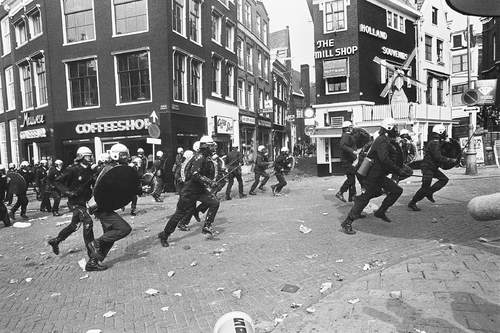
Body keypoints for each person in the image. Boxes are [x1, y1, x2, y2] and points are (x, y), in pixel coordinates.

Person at [340, 118, 412, 235]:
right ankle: (347, 222)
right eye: (394, 127)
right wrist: (398, 170)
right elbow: (384, 159)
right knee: (365, 199)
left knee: (396, 190)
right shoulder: (382, 140)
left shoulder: (386, 140)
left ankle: (380, 211)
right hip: (372, 177)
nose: (396, 130)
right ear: (389, 128)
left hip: (379, 176)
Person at [85, 143, 141, 271]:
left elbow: (121, 189)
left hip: (105, 206)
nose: (126, 157)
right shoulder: (110, 168)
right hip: (102, 207)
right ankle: (95, 243)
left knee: (109, 237)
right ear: (116, 155)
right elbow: (104, 189)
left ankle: (92, 262)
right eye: (123, 155)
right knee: (124, 229)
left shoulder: (116, 167)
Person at [158, 135, 220, 247]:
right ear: (205, 146)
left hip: (199, 190)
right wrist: (209, 182)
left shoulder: (206, 158)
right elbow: (195, 174)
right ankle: (165, 234)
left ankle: (207, 227)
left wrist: (210, 182)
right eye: (211, 146)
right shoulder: (199, 157)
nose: (213, 148)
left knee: (214, 202)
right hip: (189, 191)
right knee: (179, 214)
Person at [47, 147, 101, 270]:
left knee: (74, 226)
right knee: (88, 223)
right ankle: (92, 259)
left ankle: (56, 241)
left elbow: (94, 184)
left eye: (91, 156)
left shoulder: (90, 170)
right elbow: (57, 182)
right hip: (75, 203)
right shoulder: (72, 169)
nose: (91, 158)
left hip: (85, 202)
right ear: (81, 156)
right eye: (88, 156)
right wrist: (68, 192)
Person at [408, 124, 458, 212]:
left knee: (443, 179)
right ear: (441, 132)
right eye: (444, 132)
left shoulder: (436, 142)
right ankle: (412, 203)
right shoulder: (435, 143)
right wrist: (450, 160)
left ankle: (429, 192)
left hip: (432, 167)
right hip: (428, 168)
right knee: (425, 187)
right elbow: (438, 157)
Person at [336, 121, 358, 202]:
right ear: (347, 128)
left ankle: (352, 196)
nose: (352, 128)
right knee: (351, 179)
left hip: (348, 161)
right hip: (347, 161)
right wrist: (353, 151)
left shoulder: (348, 135)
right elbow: (342, 145)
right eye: (350, 127)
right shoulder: (346, 135)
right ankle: (341, 192)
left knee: (352, 178)